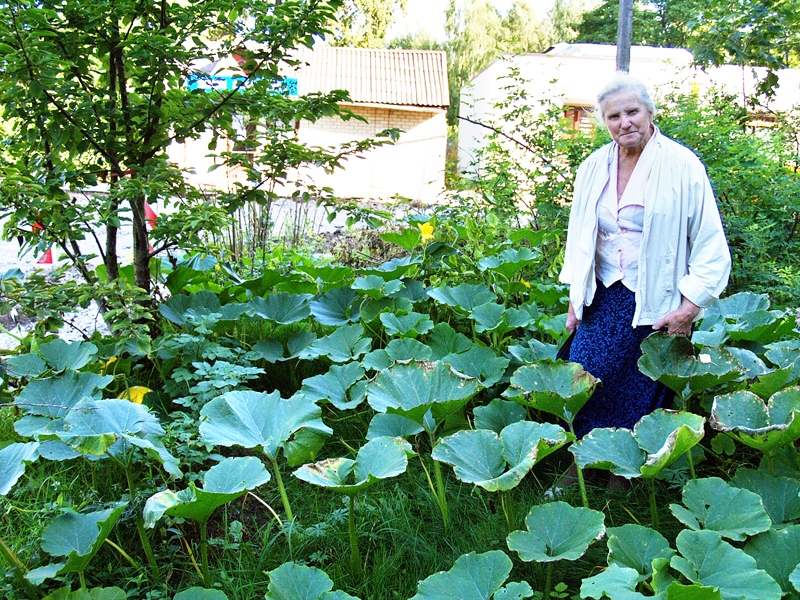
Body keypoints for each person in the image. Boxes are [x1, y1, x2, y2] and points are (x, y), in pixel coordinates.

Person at [559, 73, 731, 439]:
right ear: (604, 123)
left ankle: (626, 474)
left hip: (657, 298)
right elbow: (579, 239)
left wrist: (689, 308)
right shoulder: (592, 167)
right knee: (586, 375)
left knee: (640, 384)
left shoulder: (683, 166)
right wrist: (575, 300)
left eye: (632, 112)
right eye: (614, 116)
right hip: (602, 294)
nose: (625, 123)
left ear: (650, 112)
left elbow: (709, 244)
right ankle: (584, 462)